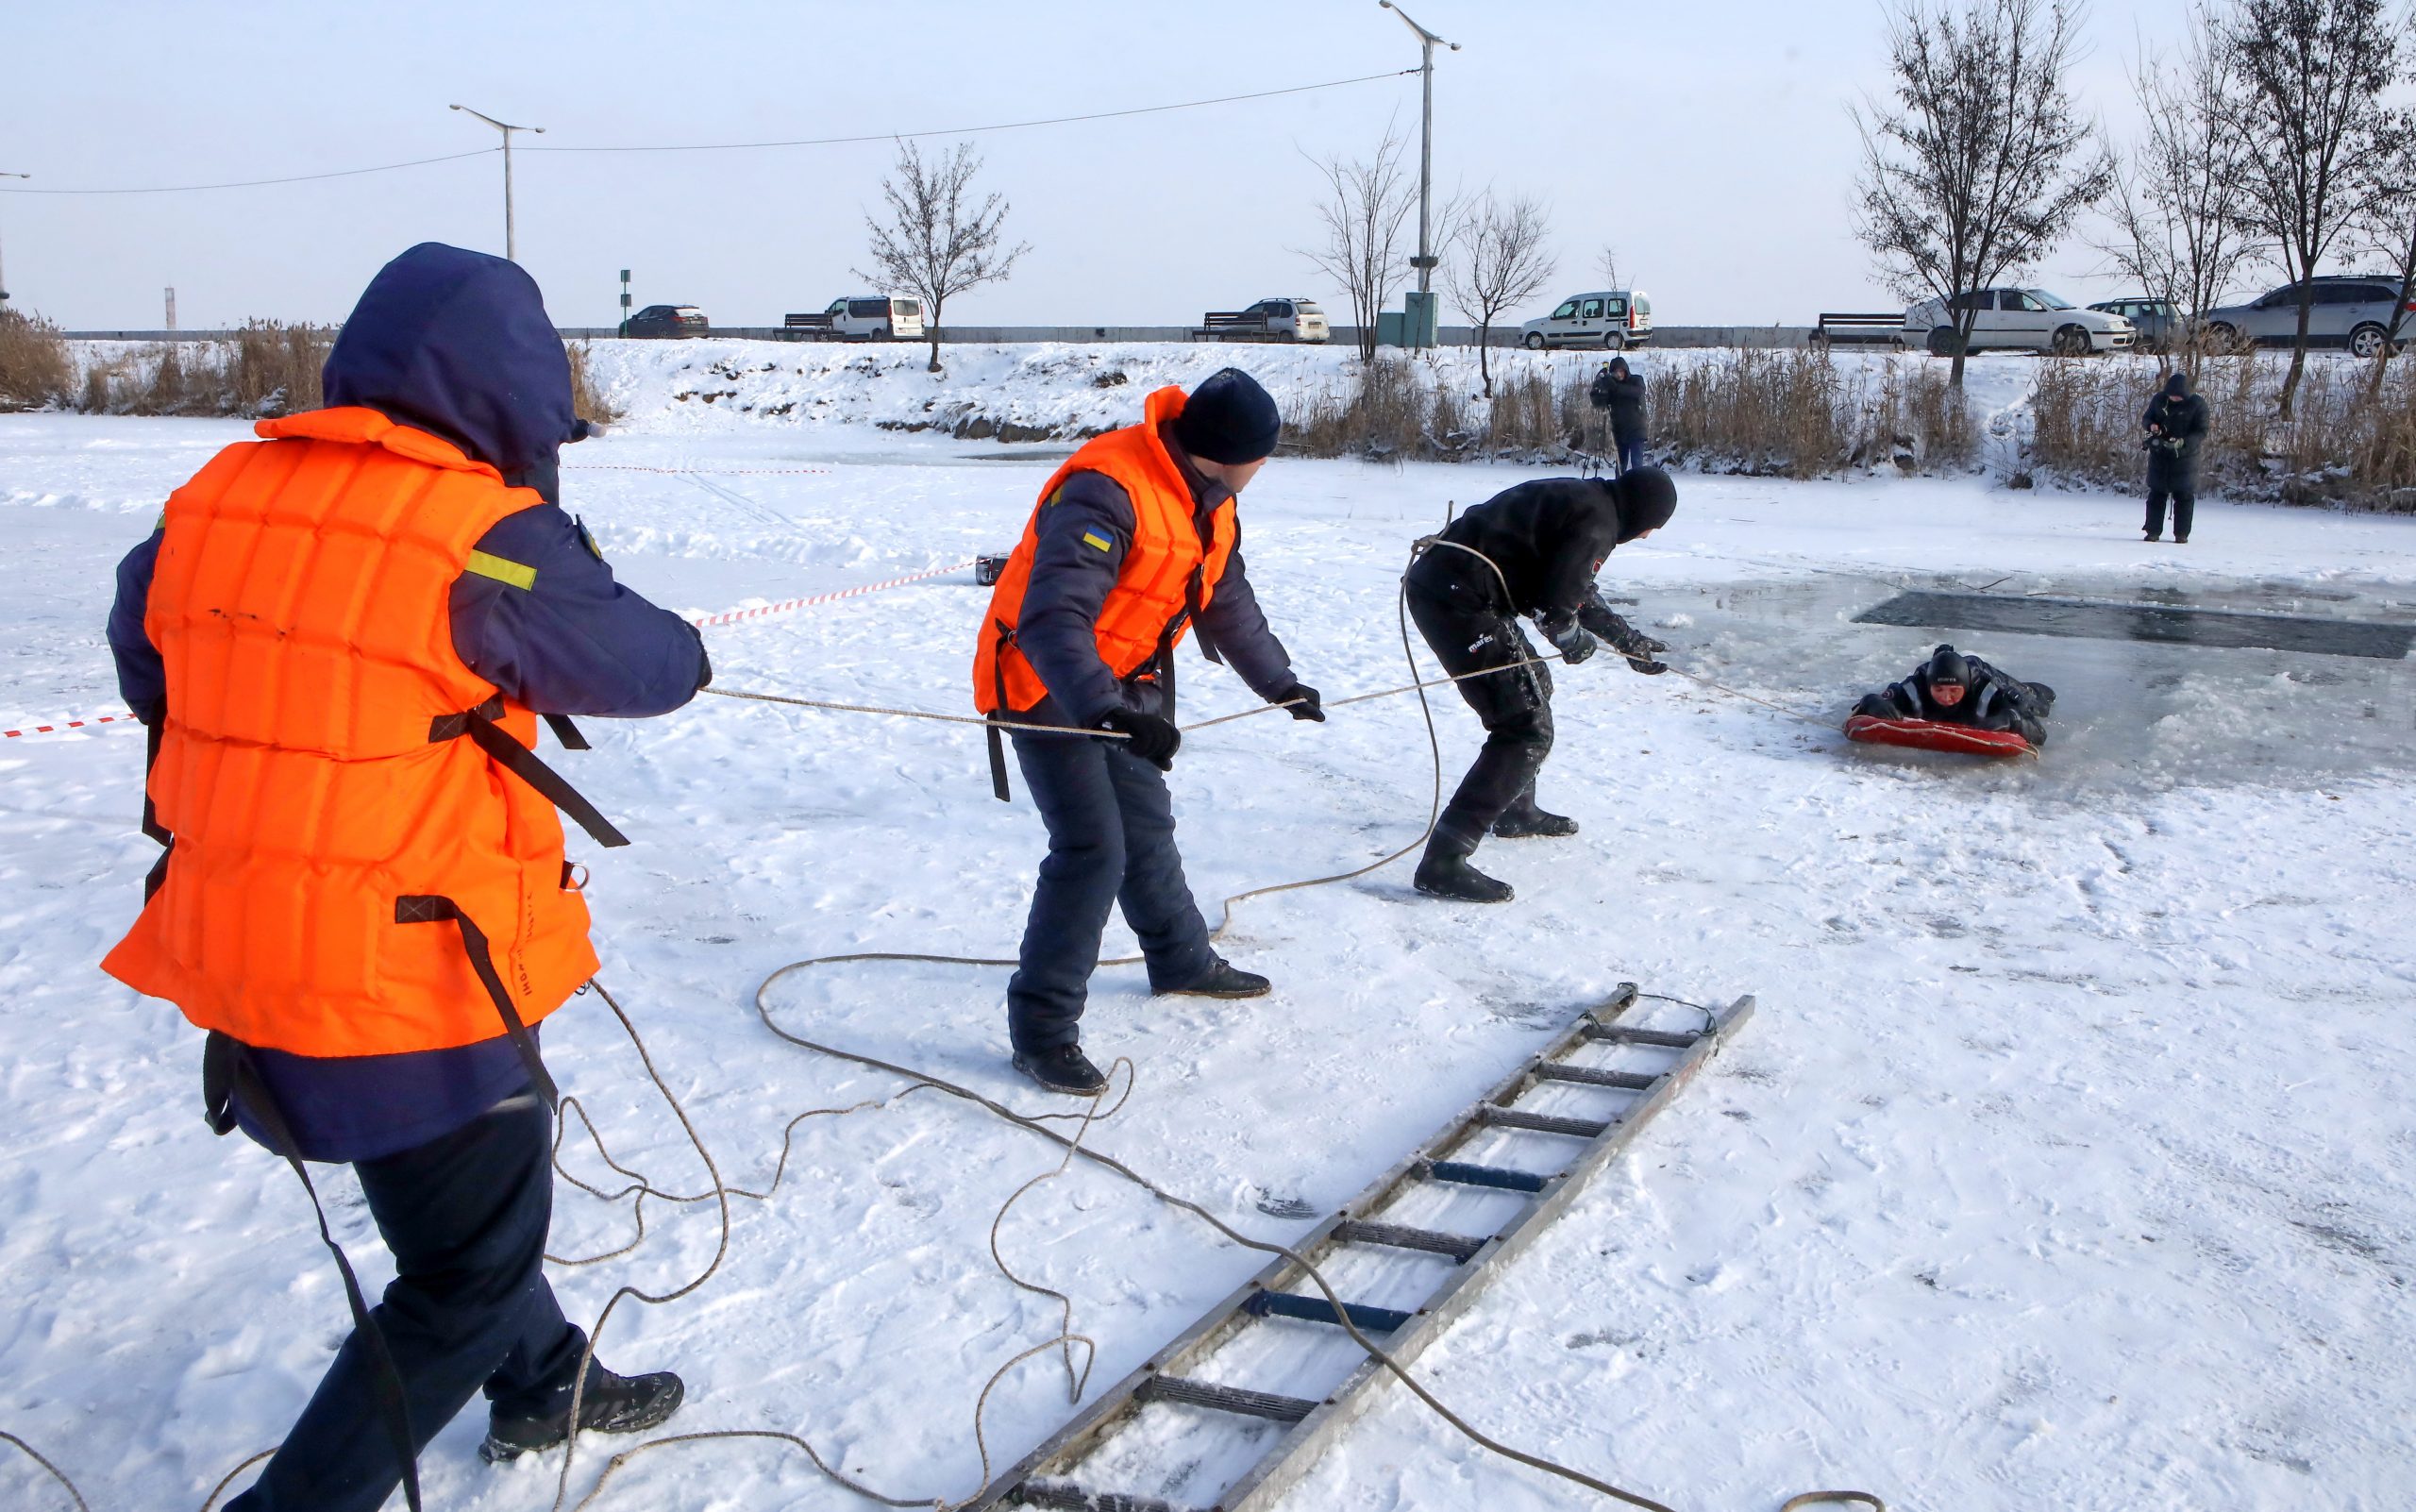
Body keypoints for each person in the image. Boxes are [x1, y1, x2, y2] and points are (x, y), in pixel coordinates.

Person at [101, 244, 710, 1512]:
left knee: (458, 1206)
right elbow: (656, 664)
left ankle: (546, 1377)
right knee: (461, 1277)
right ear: (510, 391)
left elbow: (144, 644)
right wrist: (553, 546)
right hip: (405, 967)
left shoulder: (217, 492)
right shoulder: (481, 538)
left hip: (243, 937)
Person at [974, 368, 1323, 1096]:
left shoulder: (1211, 500)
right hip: (1043, 683)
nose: (1265, 467)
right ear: (1232, 453)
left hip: (1121, 687)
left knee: (1145, 826)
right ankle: (1041, 1032)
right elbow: (1052, 618)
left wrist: (1279, 682)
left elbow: (1224, 595)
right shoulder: (1109, 486)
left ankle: (1182, 961)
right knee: (1091, 849)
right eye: (1264, 454)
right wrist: (1107, 712)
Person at [1403, 469, 1679, 903]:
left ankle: (1514, 808)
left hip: (1451, 586)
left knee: (1534, 682)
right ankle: (1444, 860)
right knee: (1525, 725)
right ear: (1643, 515)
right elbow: (1556, 607)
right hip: (1456, 600)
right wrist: (1572, 641)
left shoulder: (1588, 499)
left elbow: (1574, 587)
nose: (1645, 536)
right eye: (1652, 528)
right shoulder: (1597, 523)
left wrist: (1629, 643)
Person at [1853, 644, 2055, 748]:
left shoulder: (1990, 693)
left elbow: (2040, 735)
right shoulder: (1916, 687)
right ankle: (1944, 653)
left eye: (1953, 691)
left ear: (1964, 688)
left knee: (2040, 702)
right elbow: (1867, 706)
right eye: (1939, 690)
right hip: (1941, 671)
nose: (1946, 697)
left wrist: (2013, 719)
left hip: (1985, 675)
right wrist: (1872, 702)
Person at [2142, 369, 2209, 543]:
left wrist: (2182, 442)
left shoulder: (2197, 404)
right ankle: (2152, 531)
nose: (2174, 398)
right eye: (2172, 396)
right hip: (2160, 456)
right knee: (2156, 495)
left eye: (2178, 396)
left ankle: (2182, 534)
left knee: (2184, 497)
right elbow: (2146, 418)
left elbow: (2201, 431)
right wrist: (2152, 426)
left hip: (2186, 459)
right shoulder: (2159, 400)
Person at [1597, 355, 1649, 475]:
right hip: (1619, 430)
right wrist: (1599, 387)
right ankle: (1620, 487)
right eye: (1616, 372)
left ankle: (1637, 488)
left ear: (1626, 370)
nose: (1619, 375)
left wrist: (1615, 387)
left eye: (1621, 371)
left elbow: (1636, 392)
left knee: (1637, 464)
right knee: (1621, 464)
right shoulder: (1611, 386)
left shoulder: (1636, 380)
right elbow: (1599, 402)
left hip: (1636, 429)